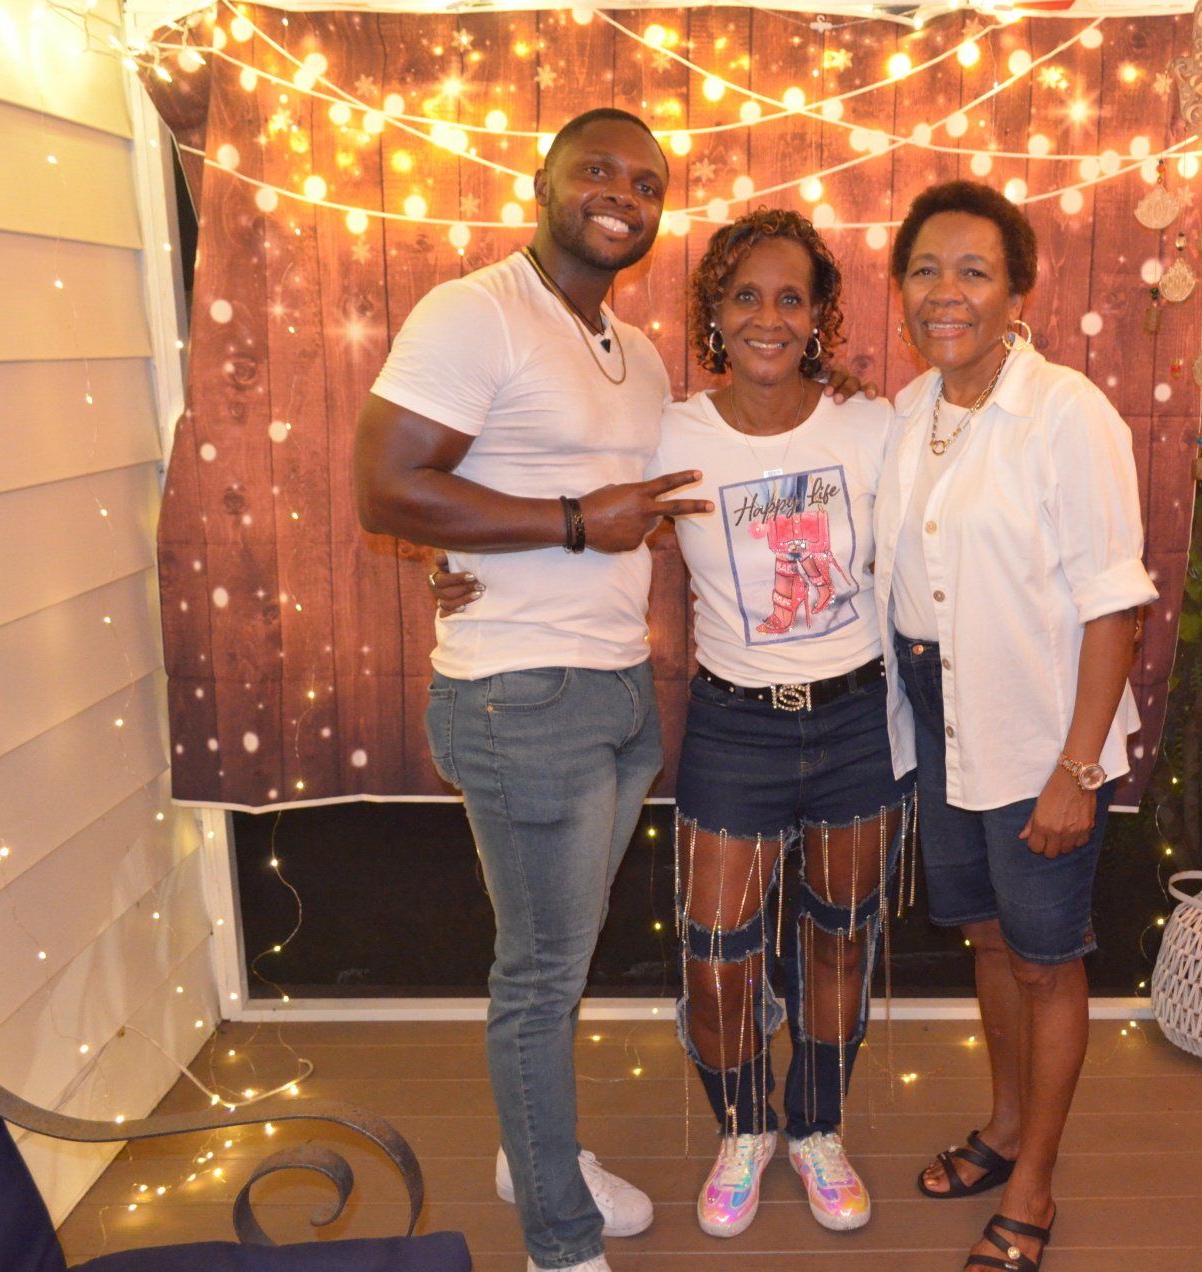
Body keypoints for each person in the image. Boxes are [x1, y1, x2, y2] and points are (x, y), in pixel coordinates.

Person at [434, 209, 905, 1241]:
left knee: (840, 943)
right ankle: (745, 1129)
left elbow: (947, 530)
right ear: (715, 313)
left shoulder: (873, 426)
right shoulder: (671, 429)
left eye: (792, 298)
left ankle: (817, 1128)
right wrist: (459, 560)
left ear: (820, 317)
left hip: (858, 721)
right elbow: (555, 490)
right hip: (737, 726)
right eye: (746, 296)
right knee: (716, 954)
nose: (769, 317)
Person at [353, 108, 701, 1272]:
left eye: (646, 183)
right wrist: (569, 522)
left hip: (617, 692)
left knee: (563, 958)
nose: (623, 195)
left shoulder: (636, 351)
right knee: (542, 977)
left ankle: (533, 1152)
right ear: (540, 184)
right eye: (597, 170)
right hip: (519, 698)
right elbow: (384, 487)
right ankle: (558, 1237)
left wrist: (488, 544)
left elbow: (597, 496)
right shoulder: (475, 312)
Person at [876, 181, 1158, 1272]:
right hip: (941, 718)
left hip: (1038, 728)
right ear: (900, 289)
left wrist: (1076, 770)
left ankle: (1033, 1184)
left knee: (1046, 960)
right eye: (925, 270)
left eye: (973, 271)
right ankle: (1001, 1129)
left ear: (1017, 293)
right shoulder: (911, 410)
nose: (945, 293)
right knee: (988, 938)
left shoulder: (1065, 413)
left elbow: (1113, 603)